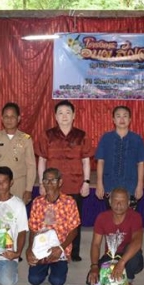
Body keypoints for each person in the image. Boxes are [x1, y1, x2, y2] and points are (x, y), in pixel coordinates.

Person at [36, 100, 92, 261]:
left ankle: (74, 252)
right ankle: (50, 248)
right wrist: (42, 183)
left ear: (74, 115)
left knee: (74, 220)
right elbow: (42, 160)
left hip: (75, 185)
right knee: (50, 219)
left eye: (68, 112)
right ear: (55, 116)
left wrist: (86, 182)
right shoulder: (47, 135)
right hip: (52, 187)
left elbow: (86, 161)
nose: (64, 116)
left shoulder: (81, 136)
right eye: (60, 113)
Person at [26, 167, 81, 285]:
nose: (49, 183)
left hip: (60, 250)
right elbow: (33, 229)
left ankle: (58, 266)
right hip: (41, 249)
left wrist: (61, 248)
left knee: (57, 282)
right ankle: (44, 266)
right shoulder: (37, 202)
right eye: (46, 180)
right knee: (34, 280)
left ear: (60, 182)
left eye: (53, 180)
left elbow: (74, 230)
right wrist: (29, 249)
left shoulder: (69, 202)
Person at [86, 188, 144, 285]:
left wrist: (121, 263)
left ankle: (128, 278)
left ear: (128, 203)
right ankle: (118, 276)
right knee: (92, 281)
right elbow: (96, 244)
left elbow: (137, 242)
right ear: (110, 202)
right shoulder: (102, 217)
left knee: (134, 255)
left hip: (129, 257)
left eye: (122, 201)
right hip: (111, 256)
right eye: (115, 201)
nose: (118, 205)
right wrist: (94, 266)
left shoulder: (135, 217)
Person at [94, 106, 144, 208]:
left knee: (130, 215)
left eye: (125, 116)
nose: (122, 119)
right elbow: (100, 162)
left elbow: (141, 164)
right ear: (113, 120)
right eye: (118, 116)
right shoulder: (106, 138)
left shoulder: (137, 139)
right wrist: (99, 183)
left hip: (131, 186)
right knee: (111, 215)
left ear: (130, 119)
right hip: (110, 185)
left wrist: (140, 185)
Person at [0, 102, 36, 205]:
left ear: (18, 118)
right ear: (2, 118)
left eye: (12, 117)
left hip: (19, 185)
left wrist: (29, 189)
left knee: (17, 213)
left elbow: (31, 166)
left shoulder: (25, 139)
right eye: (6, 117)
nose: (9, 120)